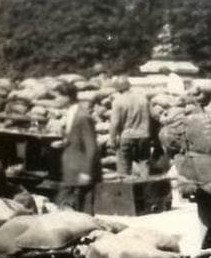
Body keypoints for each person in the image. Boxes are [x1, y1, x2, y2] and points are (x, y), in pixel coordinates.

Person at [52, 82, 100, 213]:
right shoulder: (70, 113)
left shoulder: (82, 116)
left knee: (83, 209)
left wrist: (87, 172)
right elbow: (76, 138)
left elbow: (91, 146)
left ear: (67, 97)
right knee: (66, 205)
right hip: (71, 169)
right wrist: (64, 143)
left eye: (57, 97)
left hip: (81, 170)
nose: (55, 100)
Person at [109, 76, 152, 176]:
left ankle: (127, 187)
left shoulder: (118, 101)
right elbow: (151, 116)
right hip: (143, 135)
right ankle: (145, 186)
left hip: (127, 136)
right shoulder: (143, 99)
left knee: (124, 167)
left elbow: (115, 122)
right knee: (144, 163)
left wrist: (112, 139)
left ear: (117, 89)